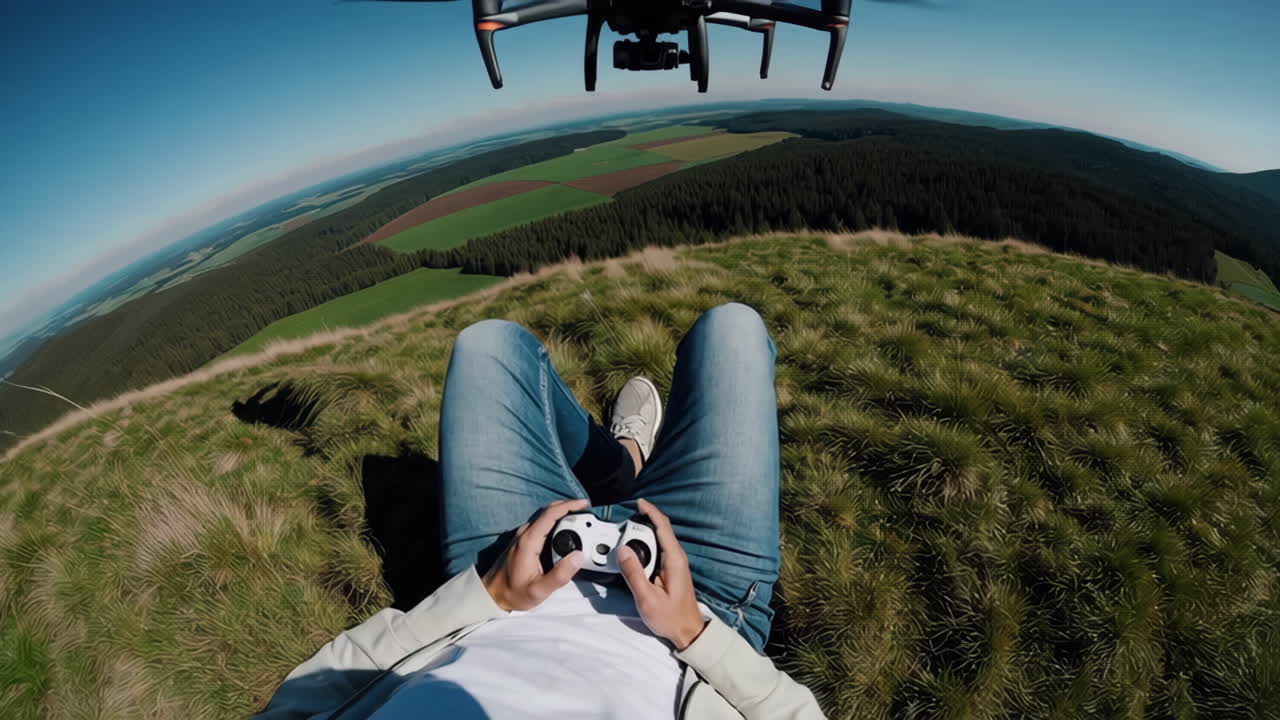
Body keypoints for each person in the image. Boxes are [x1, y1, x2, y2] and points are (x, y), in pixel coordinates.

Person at [256, 302, 825, 719]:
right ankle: (619, 467)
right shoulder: (693, 624)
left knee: (488, 343)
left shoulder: (492, 590)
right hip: (695, 607)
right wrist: (693, 631)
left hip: (503, 583)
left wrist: (487, 594)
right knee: (732, 332)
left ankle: (616, 466)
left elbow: (302, 701)